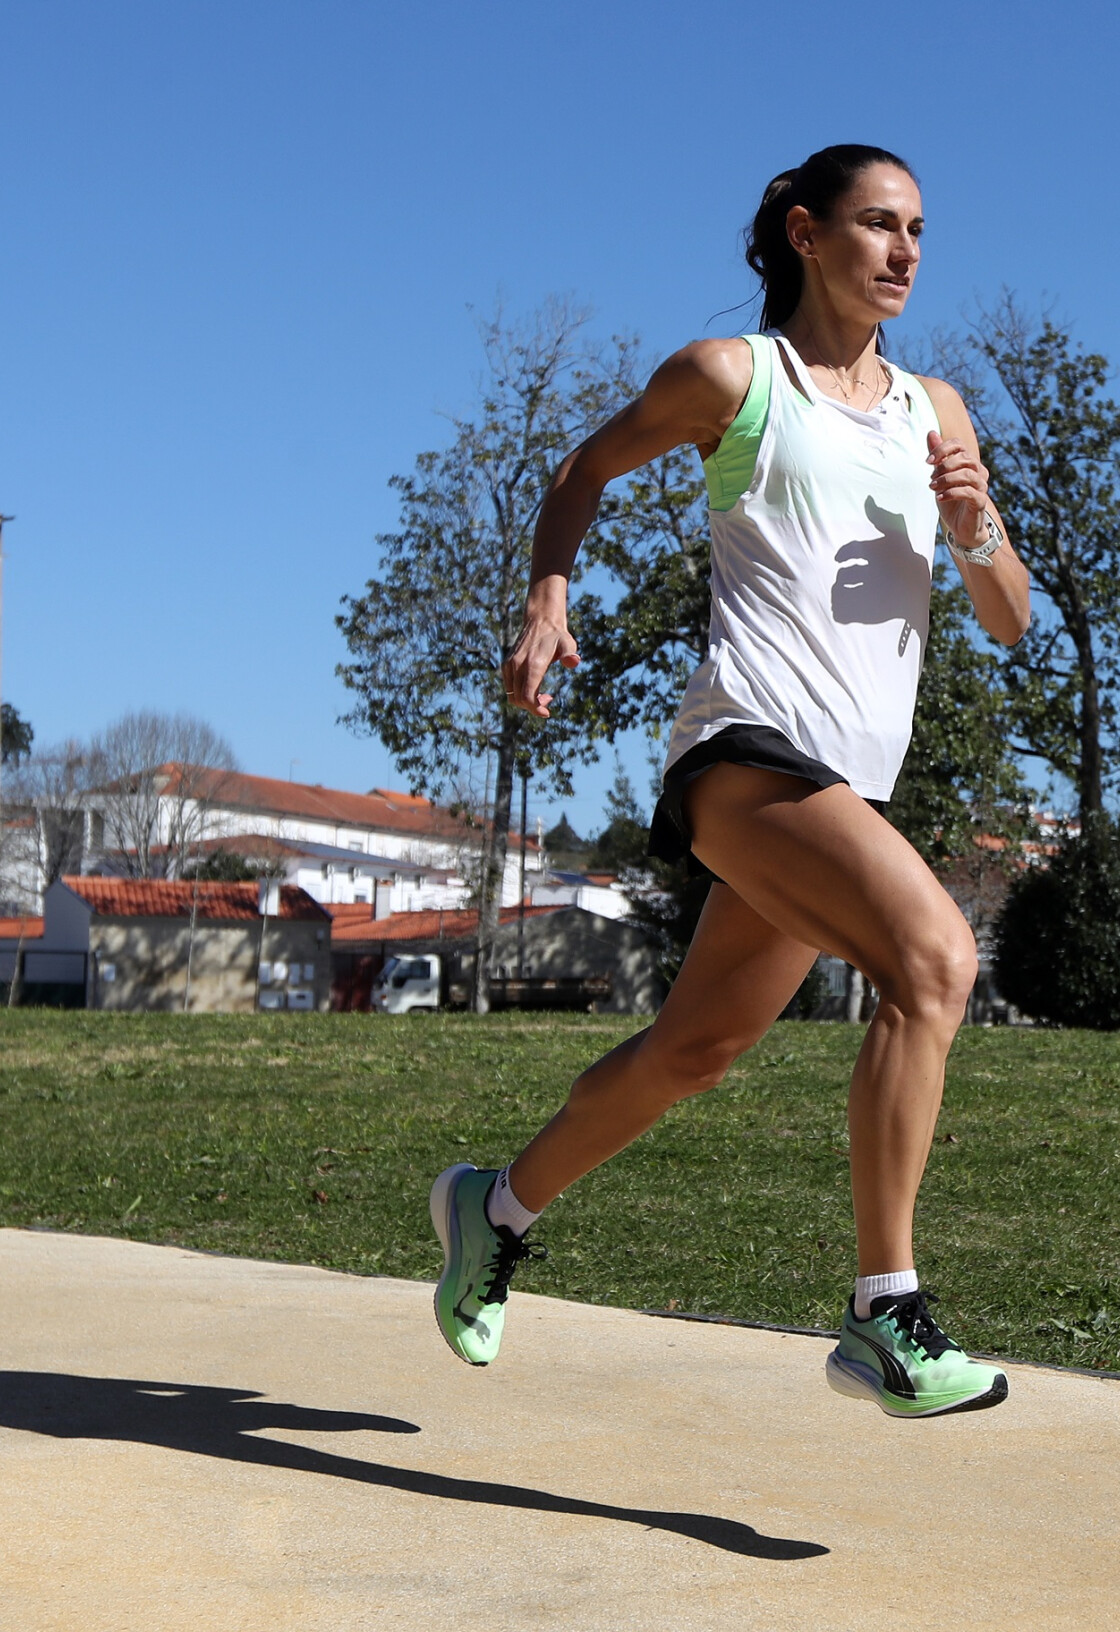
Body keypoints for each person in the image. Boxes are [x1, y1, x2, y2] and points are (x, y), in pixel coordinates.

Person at [431, 144, 1032, 1418]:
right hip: (743, 753)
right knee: (933, 962)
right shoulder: (735, 379)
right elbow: (583, 471)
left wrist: (973, 528)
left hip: (841, 792)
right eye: (880, 224)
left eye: (921, 228)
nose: (907, 250)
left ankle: (494, 1209)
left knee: (695, 1050)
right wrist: (549, 592)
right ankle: (886, 1315)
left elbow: (1011, 619)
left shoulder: (939, 413)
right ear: (809, 237)